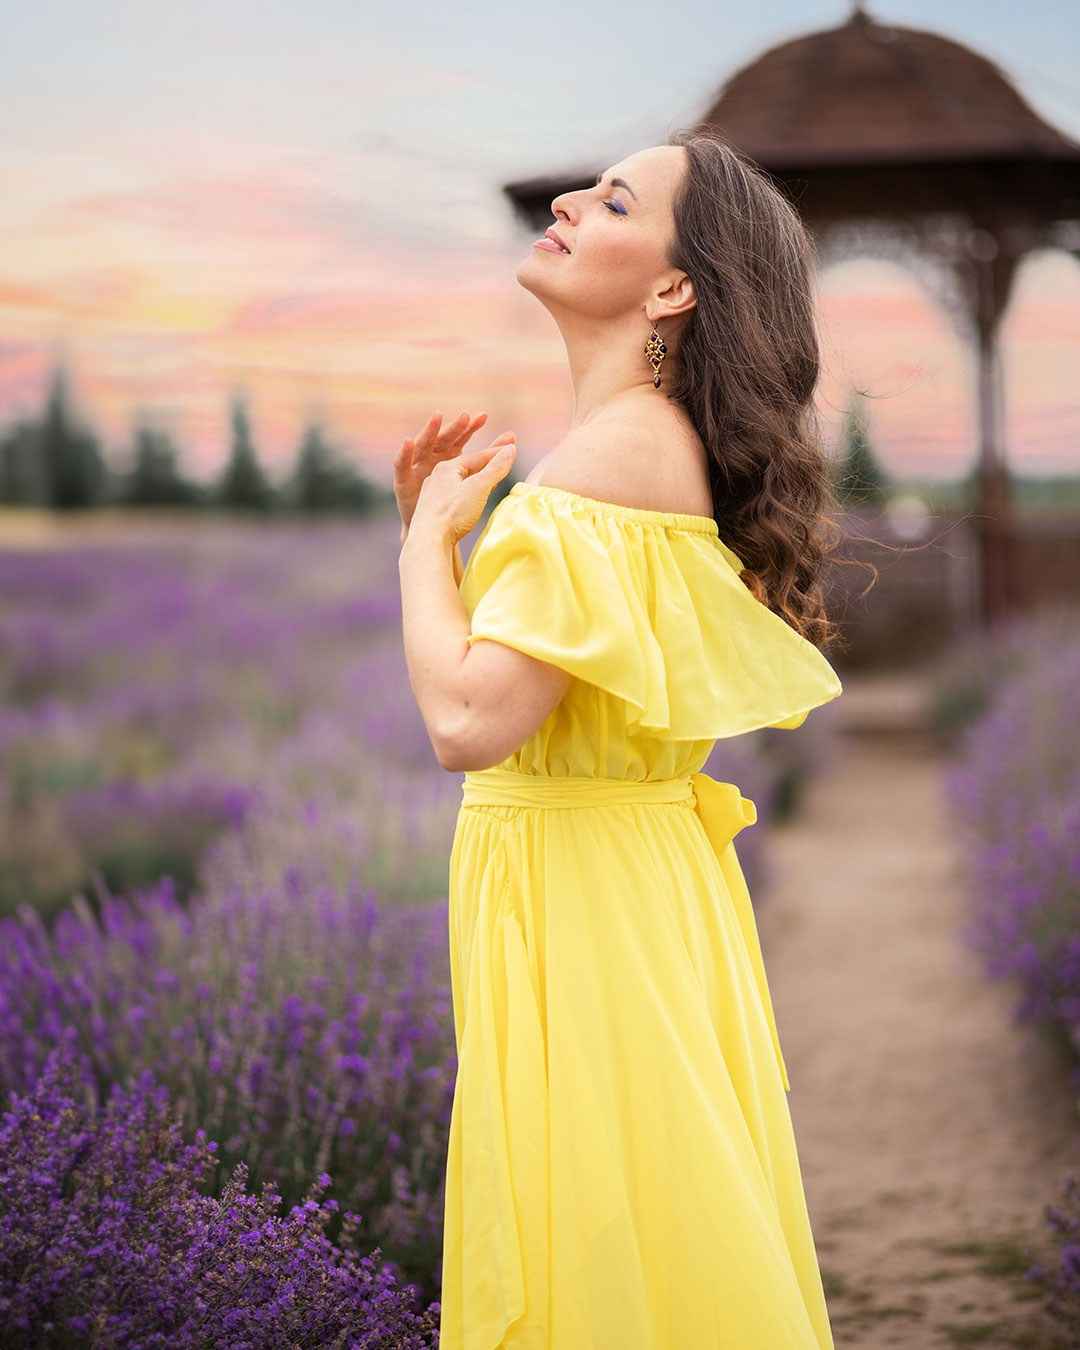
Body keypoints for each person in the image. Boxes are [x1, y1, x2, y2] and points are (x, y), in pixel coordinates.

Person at [397, 129, 842, 1349]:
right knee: (646, 1223)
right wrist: (444, 551)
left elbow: (468, 721)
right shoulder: (643, 453)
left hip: (582, 899)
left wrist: (421, 553)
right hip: (620, 886)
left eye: (610, 199)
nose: (565, 200)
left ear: (671, 285)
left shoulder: (602, 468)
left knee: (606, 1241)